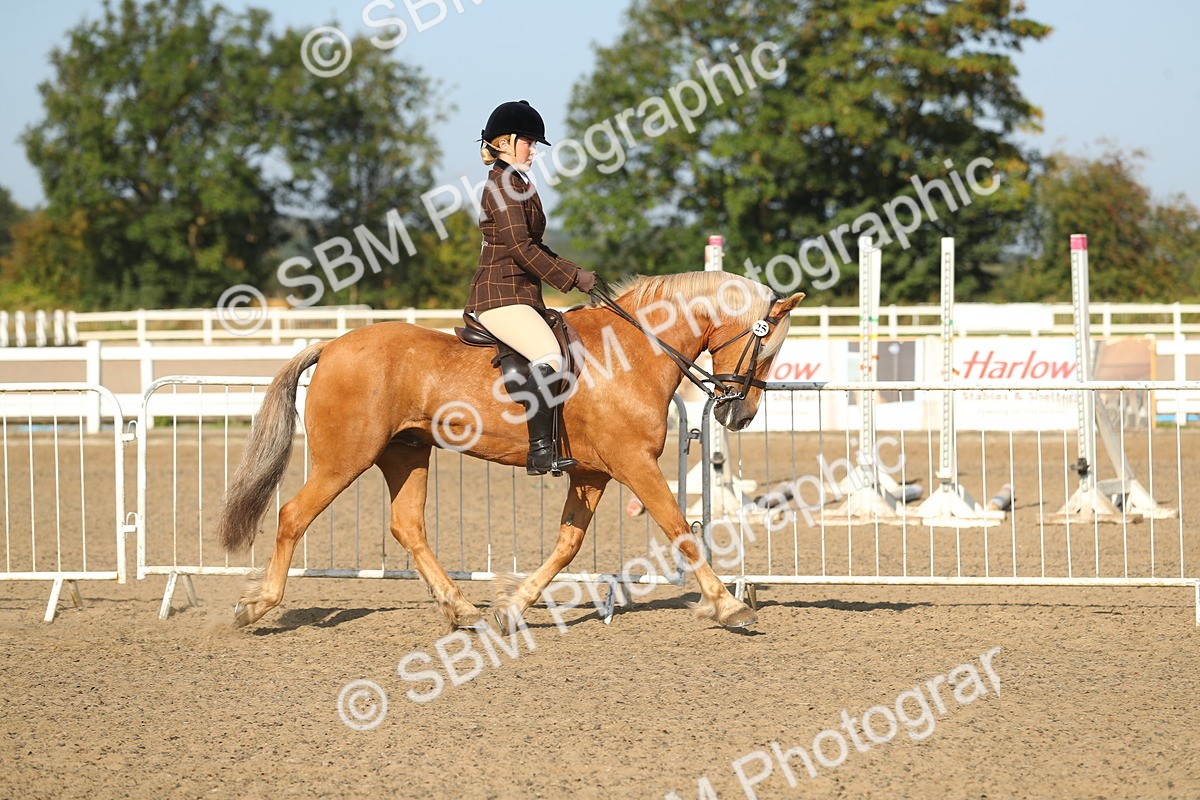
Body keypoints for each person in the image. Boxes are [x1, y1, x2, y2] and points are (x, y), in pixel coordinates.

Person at [465, 100, 597, 476]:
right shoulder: (501, 186)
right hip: (500, 294)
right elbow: (521, 249)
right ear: (504, 142)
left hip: (521, 295)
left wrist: (577, 271)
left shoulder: (519, 183)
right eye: (529, 143)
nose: (535, 151)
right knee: (550, 358)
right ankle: (540, 451)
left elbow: (534, 245)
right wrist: (570, 279)